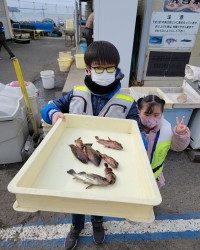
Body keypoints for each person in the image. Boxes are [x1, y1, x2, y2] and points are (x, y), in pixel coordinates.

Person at [41, 41, 138, 250]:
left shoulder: (127, 101)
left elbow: (135, 128)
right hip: (79, 154)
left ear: (117, 69)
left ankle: (97, 222)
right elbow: (49, 107)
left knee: (100, 191)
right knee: (77, 195)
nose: (105, 72)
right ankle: (76, 226)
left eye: (110, 68)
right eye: (99, 68)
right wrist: (54, 114)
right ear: (88, 69)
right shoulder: (75, 93)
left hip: (104, 158)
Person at [137, 95, 190, 188]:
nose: (151, 118)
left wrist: (180, 135)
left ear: (162, 113)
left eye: (156, 115)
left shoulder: (166, 128)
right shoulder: (131, 125)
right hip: (133, 174)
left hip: (153, 177)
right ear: (139, 112)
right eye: (147, 114)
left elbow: (177, 147)